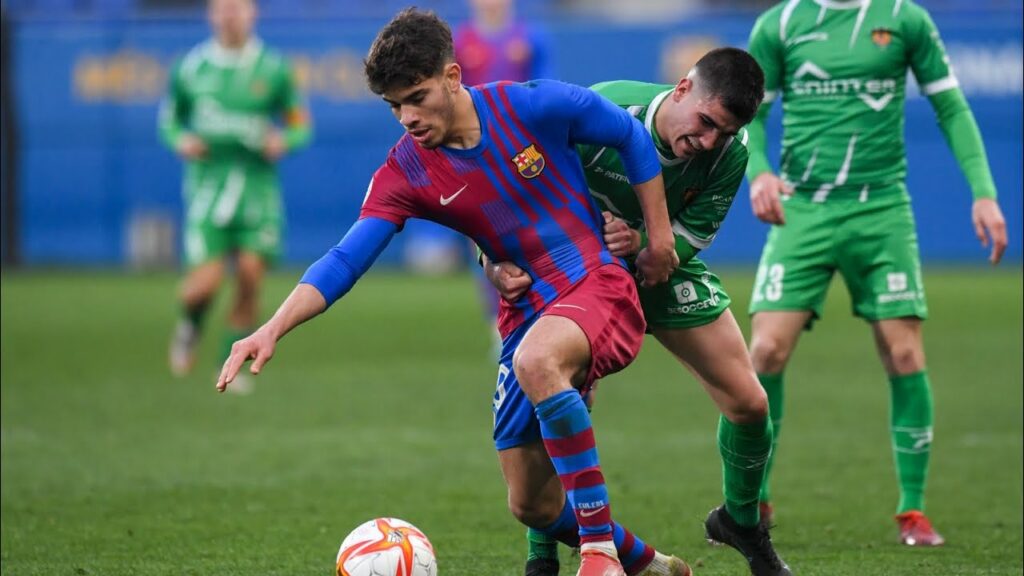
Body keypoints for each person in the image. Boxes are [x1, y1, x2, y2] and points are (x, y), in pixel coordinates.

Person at [216, 8, 685, 576]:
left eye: (416, 96)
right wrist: (271, 327)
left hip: (597, 283)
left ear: (454, 76)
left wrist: (657, 239)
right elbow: (345, 258)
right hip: (525, 313)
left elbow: (631, 134)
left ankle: (599, 555)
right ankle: (654, 566)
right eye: (394, 106)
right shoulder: (406, 172)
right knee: (530, 504)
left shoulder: (532, 105)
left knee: (541, 360)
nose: (407, 117)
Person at [486, 48, 791, 576]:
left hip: (659, 271)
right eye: (705, 123)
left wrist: (647, 242)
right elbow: (515, 199)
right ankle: (543, 554)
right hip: (576, 273)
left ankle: (740, 521)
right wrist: (493, 261)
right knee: (558, 389)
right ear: (680, 88)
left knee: (750, 404)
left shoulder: (730, 150)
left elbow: (692, 234)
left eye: (723, 131)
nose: (709, 141)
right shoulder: (600, 111)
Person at [745, 0, 1008, 547]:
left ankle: (912, 511)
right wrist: (761, 172)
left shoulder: (904, 18)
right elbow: (752, 116)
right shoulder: (781, 24)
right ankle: (750, 501)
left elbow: (952, 108)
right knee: (765, 350)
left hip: (881, 210)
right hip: (805, 209)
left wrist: (983, 193)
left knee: (906, 353)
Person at [159, 0, 311, 386]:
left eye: (237, 7)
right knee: (202, 287)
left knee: (249, 275)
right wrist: (182, 140)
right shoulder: (192, 68)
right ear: (211, 14)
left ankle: (230, 362)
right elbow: (170, 120)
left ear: (252, 12)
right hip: (209, 189)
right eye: (222, 7)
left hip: (257, 190)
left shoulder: (272, 68)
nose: (229, 14)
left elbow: (299, 122)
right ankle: (189, 327)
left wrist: (285, 140)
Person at [454, 0, 554, 357]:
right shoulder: (459, 41)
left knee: (529, 232)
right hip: (475, 153)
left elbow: (545, 88)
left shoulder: (530, 37)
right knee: (481, 237)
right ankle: (498, 323)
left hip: (522, 150)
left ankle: (539, 315)